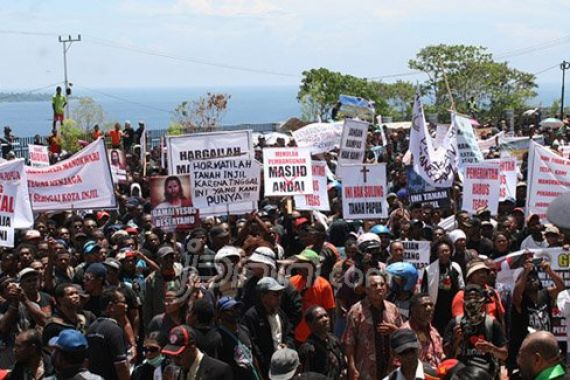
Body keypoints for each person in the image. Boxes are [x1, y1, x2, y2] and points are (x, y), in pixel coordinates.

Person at [343, 272, 403, 380]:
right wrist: (351, 367)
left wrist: (395, 330)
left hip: (390, 368)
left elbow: (404, 335)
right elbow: (349, 342)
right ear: (366, 290)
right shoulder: (356, 311)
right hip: (365, 369)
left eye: (382, 284)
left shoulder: (392, 309)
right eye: (374, 285)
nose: (379, 288)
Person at [444, 284, 507, 376]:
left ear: (482, 301)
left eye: (476, 298)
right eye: (469, 298)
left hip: (486, 374)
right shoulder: (455, 323)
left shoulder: (491, 323)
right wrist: (456, 340)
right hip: (462, 374)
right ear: (463, 301)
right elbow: (447, 356)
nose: (472, 302)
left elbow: (504, 355)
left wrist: (491, 348)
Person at [243, 277, 294, 377]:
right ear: (263, 296)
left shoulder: (280, 313)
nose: (279, 297)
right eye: (275, 294)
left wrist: (287, 346)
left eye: (280, 294)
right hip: (265, 368)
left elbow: (289, 334)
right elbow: (253, 345)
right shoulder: (252, 316)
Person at [85, 287, 130, 380]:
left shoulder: (91, 327)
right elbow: (121, 366)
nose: (126, 306)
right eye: (123, 302)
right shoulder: (114, 330)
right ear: (111, 306)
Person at [161, 325, 233, 380]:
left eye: (178, 357)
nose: (174, 361)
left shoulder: (219, 371)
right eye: (171, 356)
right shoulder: (173, 373)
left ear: (192, 347)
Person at [298, 306, 346, 379]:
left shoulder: (334, 340)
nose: (325, 319)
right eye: (319, 317)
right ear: (310, 324)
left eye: (326, 315)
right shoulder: (307, 349)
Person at [401, 293, 445, 368]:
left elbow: (440, 356)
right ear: (413, 309)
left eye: (431, 305)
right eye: (424, 305)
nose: (429, 308)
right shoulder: (405, 333)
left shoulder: (433, 331)